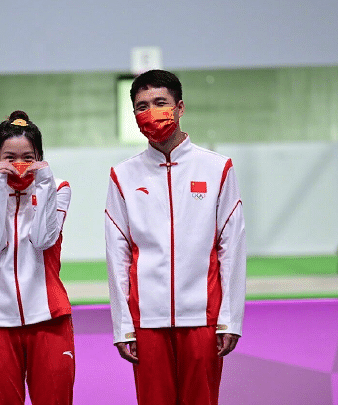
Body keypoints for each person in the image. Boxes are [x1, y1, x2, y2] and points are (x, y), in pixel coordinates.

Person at [105, 70, 246, 405]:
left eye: (160, 102)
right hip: (147, 321)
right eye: (142, 106)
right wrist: (123, 325)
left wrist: (230, 319)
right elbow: (117, 255)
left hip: (203, 318)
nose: (151, 112)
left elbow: (232, 248)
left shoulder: (217, 169)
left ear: (180, 107)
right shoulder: (122, 176)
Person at [0, 110, 74, 405]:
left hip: (50, 319)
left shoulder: (58, 187)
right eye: (9, 157)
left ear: (40, 157)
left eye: (28, 157)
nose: (18, 164)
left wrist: (44, 185)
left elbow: (43, 240)